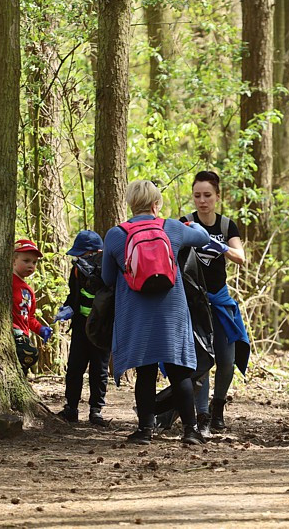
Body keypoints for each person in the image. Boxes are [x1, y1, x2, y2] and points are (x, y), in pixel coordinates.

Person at [102, 180, 211, 445]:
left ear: (131, 204)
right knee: (179, 371)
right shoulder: (171, 227)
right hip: (171, 311)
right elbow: (204, 237)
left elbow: (106, 277)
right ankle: (190, 430)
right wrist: (191, 226)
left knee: (146, 371)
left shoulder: (116, 235)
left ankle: (144, 431)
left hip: (136, 312)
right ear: (155, 204)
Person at [178, 171, 248, 437]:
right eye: (197, 196)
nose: (202, 201)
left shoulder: (227, 225)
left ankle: (218, 406)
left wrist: (219, 247)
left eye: (207, 195)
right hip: (193, 302)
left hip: (220, 300)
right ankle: (202, 415)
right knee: (202, 361)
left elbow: (240, 257)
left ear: (217, 197)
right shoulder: (184, 223)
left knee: (227, 360)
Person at [54, 230, 111, 426]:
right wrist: (67, 308)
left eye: (82, 254)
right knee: (75, 368)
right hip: (80, 326)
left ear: (95, 252)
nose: (78, 258)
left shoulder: (109, 269)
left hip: (102, 328)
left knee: (99, 370)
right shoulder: (77, 269)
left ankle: (96, 411)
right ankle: (71, 408)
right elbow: (73, 294)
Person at [12, 239, 53, 376]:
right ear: (13, 260)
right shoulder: (8, 282)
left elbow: (29, 317)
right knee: (30, 353)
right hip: (12, 332)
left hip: (23, 334)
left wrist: (40, 329)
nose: (31, 265)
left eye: (34, 262)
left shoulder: (28, 291)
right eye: (26, 261)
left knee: (29, 355)